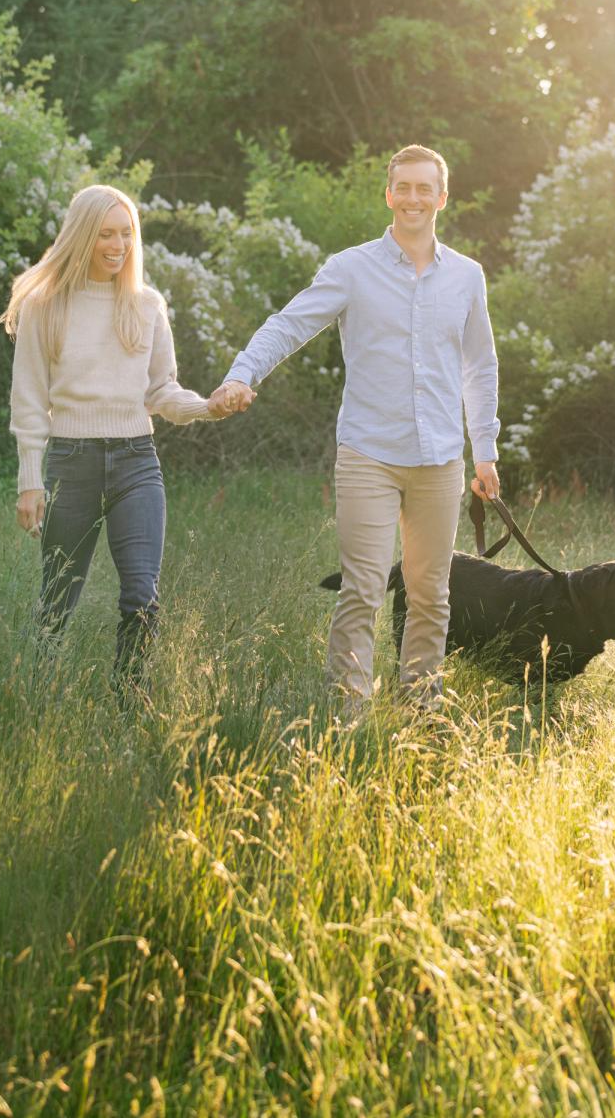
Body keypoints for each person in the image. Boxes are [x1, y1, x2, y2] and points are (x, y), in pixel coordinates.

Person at [214, 145, 500, 717]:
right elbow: (289, 324)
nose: (414, 198)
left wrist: (485, 452)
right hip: (369, 454)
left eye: (426, 188)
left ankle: (421, 709)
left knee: (430, 594)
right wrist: (241, 373)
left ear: (442, 198)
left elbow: (480, 364)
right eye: (404, 187)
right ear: (389, 195)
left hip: (441, 460)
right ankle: (349, 718)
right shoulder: (351, 268)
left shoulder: (467, 277)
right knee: (363, 591)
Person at [0, 183, 235, 697]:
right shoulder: (46, 306)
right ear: (82, 235)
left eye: (126, 234)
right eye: (106, 234)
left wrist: (207, 407)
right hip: (72, 462)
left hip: (136, 462)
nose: (118, 245)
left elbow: (160, 390)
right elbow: (28, 399)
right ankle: (33, 696)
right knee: (58, 597)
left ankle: (130, 697)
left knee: (142, 596)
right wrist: (29, 483)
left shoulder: (146, 304)